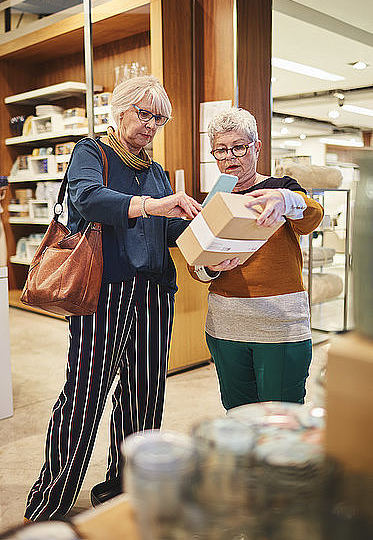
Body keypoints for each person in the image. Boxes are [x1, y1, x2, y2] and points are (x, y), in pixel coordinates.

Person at [24, 76, 201, 521]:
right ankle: (52, 501)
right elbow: (88, 200)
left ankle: (124, 489)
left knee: (144, 395)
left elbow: (170, 228)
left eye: (159, 119)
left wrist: (209, 237)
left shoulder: (154, 169)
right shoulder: (92, 152)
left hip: (154, 292)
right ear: (119, 110)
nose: (151, 126)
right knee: (84, 394)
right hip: (104, 291)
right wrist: (153, 206)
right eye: (145, 115)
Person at [189, 107, 323, 410]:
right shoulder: (214, 199)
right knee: (238, 414)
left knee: (281, 416)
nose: (230, 158)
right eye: (221, 150)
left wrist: (285, 200)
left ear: (257, 147)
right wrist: (209, 266)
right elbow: (194, 265)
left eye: (239, 147)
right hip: (226, 326)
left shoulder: (282, 189)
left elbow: (312, 218)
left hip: (280, 325)